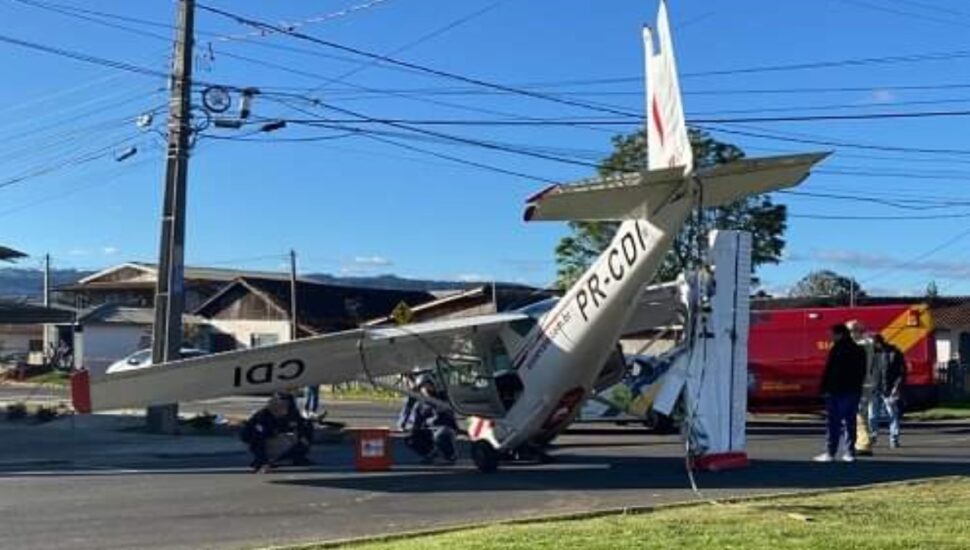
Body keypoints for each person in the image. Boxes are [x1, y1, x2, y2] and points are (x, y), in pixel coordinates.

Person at [815, 323, 867, 463]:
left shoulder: (836, 350)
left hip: (835, 391)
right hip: (852, 390)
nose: (829, 336)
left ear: (839, 334)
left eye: (831, 333)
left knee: (833, 423)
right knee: (849, 422)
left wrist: (824, 388)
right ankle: (849, 453)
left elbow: (829, 371)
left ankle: (830, 453)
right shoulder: (859, 350)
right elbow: (862, 372)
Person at [240, 392, 314, 473]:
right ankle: (264, 461)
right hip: (266, 442)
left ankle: (297, 457)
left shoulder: (292, 413)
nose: (284, 405)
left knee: (306, 428)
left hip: (281, 439)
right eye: (281, 402)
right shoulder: (263, 417)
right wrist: (263, 461)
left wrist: (302, 437)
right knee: (260, 436)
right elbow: (256, 439)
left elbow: (301, 425)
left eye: (287, 403)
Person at [405, 375, 458, 464]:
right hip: (429, 429)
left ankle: (450, 455)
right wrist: (412, 430)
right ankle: (430, 453)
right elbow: (416, 421)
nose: (425, 389)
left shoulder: (443, 397)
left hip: (445, 427)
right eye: (422, 387)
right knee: (411, 439)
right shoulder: (420, 404)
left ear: (432, 385)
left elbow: (448, 412)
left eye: (426, 385)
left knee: (442, 434)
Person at [870, 334, 906, 448]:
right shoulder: (870, 354)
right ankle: (872, 436)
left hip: (889, 388)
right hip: (874, 388)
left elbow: (901, 372)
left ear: (878, 343)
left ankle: (893, 438)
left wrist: (896, 387)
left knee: (892, 414)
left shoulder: (894, 353)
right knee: (872, 415)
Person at [847, 320, 876, 456]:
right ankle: (861, 442)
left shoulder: (858, 346)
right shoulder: (868, 343)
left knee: (858, 414)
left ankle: (864, 443)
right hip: (866, 382)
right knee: (860, 413)